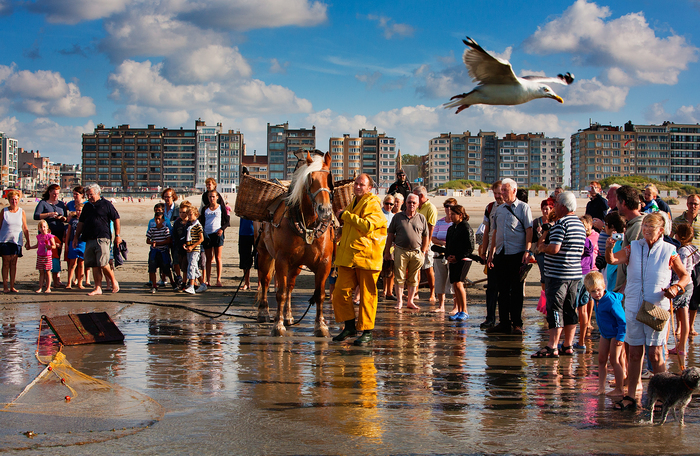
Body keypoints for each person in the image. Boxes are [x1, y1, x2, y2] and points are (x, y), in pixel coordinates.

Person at [605, 212, 690, 410]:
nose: (645, 231)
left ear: (661, 231)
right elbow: (612, 260)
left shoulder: (670, 250)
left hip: (656, 307)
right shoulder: (633, 248)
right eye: (644, 227)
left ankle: (663, 396)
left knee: (656, 354)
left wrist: (676, 288)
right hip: (634, 306)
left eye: (650, 228)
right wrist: (609, 248)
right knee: (634, 353)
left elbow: (684, 276)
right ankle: (630, 396)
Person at [332, 173, 387, 346]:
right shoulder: (353, 203)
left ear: (369, 188)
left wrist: (344, 215)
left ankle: (367, 331)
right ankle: (349, 326)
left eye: (362, 184)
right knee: (340, 292)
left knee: (367, 295)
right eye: (356, 184)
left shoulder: (372, 203)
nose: (357, 187)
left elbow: (368, 225)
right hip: (349, 256)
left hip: (367, 257)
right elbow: (350, 227)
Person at [532, 191, 586, 357]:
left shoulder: (561, 224)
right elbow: (581, 250)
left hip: (558, 274)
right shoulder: (579, 224)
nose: (554, 207)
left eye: (555, 204)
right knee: (570, 309)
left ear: (562, 206)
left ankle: (552, 345)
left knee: (555, 308)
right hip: (575, 273)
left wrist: (542, 247)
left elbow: (554, 248)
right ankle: (568, 345)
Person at [487, 178, 532, 335]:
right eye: (501, 190)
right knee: (503, 290)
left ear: (514, 190)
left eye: (505, 190)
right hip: (501, 254)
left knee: (517, 291)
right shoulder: (499, 209)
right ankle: (504, 322)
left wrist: (527, 251)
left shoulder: (523, 208)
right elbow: (495, 232)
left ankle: (517, 324)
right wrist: (491, 253)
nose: (502, 193)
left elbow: (529, 230)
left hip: (517, 254)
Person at [73, 183, 122, 296]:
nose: (89, 197)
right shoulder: (87, 206)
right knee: (94, 264)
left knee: (103, 263)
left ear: (97, 193)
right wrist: (76, 237)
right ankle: (98, 287)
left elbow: (116, 219)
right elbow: (81, 222)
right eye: (87, 195)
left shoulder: (106, 204)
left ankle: (114, 281)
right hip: (89, 238)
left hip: (103, 237)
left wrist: (118, 235)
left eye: (91, 195)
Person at [584, 272, 626, 397]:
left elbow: (623, 321)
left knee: (615, 360)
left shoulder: (611, 301)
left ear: (604, 286)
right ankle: (601, 387)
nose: (596, 294)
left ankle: (619, 388)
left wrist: (621, 337)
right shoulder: (596, 300)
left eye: (599, 290)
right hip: (605, 333)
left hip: (615, 333)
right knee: (601, 360)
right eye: (593, 292)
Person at [384, 193, 428, 312]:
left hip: (416, 252)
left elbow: (426, 236)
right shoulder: (398, 217)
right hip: (400, 251)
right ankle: (399, 302)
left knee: (413, 278)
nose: (411, 204)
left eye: (414, 202)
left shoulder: (421, 218)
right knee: (399, 277)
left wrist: (423, 251)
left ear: (418, 204)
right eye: (409, 202)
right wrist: (387, 251)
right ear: (405, 203)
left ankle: (410, 301)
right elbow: (390, 235)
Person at [669, 224, 700, 360]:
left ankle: (667, 346)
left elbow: (680, 268)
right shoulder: (694, 248)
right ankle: (682, 348)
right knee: (684, 313)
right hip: (690, 284)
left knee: (669, 313)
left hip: (679, 284)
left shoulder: (682, 251)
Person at [672, 194, 700, 335]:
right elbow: (671, 238)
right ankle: (678, 327)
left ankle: (691, 326)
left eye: (695, 203)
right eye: (690, 203)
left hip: (697, 260)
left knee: (694, 295)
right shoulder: (678, 221)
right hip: (681, 260)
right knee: (681, 295)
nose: (692, 206)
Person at [479, 181, 504, 329]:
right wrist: (483, 251)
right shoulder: (490, 207)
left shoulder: (512, 207)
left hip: (506, 251)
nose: (498, 196)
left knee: (505, 288)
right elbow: (487, 230)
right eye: (495, 193)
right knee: (491, 287)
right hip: (491, 251)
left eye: (500, 193)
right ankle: (490, 318)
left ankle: (505, 320)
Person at [34, 184, 67, 287]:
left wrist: (61, 218)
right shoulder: (43, 203)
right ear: (49, 192)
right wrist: (49, 214)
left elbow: (66, 218)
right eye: (54, 193)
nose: (55, 196)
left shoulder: (61, 204)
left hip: (58, 233)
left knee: (57, 254)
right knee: (44, 255)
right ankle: (43, 279)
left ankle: (57, 279)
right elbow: (36, 216)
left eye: (57, 194)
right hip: (45, 234)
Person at [613, 185, 644, 293]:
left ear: (624, 203)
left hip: (630, 291)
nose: (616, 205)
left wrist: (623, 288)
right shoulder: (633, 224)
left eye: (617, 202)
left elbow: (636, 262)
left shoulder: (638, 226)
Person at [445, 204, 473, 322]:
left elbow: (470, 247)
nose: (450, 216)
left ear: (460, 215)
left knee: (459, 283)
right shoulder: (452, 228)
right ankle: (460, 309)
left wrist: (458, 257)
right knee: (454, 284)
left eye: (453, 214)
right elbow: (448, 245)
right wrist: (448, 256)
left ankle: (464, 310)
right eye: (450, 214)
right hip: (452, 259)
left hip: (463, 259)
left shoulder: (465, 227)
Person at [574, 215, 598, 351]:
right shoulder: (589, 240)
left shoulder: (582, 241)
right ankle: (581, 341)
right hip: (587, 274)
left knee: (574, 307)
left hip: (579, 275)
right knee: (583, 308)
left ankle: (572, 340)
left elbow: (579, 252)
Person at [0, 190, 30, 293]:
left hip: (16, 241)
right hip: (4, 240)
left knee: (13, 263)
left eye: (16, 199)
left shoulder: (21, 211)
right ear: (8, 200)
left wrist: (28, 241)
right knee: (5, 263)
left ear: (18, 200)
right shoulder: (4, 211)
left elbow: (25, 227)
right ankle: (5, 286)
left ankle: (12, 286)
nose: (14, 201)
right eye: (12, 199)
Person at [199, 189, 229, 288]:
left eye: (213, 196)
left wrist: (222, 229)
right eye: (210, 197)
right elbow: (201, 222)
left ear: (217, 197)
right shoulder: (205, 209)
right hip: (207, 235)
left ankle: (218, 279)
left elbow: (227, 222)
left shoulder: (221, 208)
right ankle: (208, 280)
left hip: (218, 234)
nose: (211, 198)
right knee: (208, 258)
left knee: (218, 258)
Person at [431, 198, 457, 313]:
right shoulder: (440, 221)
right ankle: (441, 306)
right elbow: (433, 237)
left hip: (453, 255)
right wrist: (442, 242)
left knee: (453, 280)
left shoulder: (456, 223)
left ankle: (455, 307)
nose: (448, 208)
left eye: (451, 206)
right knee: (440, 279)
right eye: (446, 206)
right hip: (439, 254)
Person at [414, 186, 438, 302]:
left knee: (428, 268)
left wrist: (427, 244)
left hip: (426, 241)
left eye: (415, 196)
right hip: (417, 241)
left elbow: (431, 228)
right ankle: (416, 292)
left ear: (421, 196)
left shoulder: (431, 208)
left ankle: (432, 292)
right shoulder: (417, 207)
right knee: (417, 268)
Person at [147, 212, 176, 293]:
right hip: (154, 252)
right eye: (156, 219)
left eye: (159, 219)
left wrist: (157, 243)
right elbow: (147, 240)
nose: (157, 221)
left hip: (163, 251)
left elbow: (168, 240)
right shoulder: (152, 230)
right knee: (152, 269)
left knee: (166, 268)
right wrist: (152, 243)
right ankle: (154, 285)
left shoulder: (165, 229)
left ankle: (172, 282)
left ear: (163, 220)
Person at [29, 220, 57, 293]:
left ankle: (48, 287)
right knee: (41, 272)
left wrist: (49, 246)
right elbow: (37, 245)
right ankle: (40, 287)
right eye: (41, 227)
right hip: (40, 256)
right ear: (39, 229)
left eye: (44, 227)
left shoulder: (50, 236)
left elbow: (54, 246)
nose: (43, 229)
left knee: (48, 272)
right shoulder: (39, 236)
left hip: (47, 256)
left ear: (47, 228)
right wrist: (30, 247)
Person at [183, 205, 206, 294]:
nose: (189, 217)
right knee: (194, 267)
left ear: (196, 215)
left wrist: (192, 246)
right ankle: (203, 284)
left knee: (192, 266)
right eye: (188, 215)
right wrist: (187, 245)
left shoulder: (198, 225)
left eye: (191, 215)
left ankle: (192, 286)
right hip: (190, 249)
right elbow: (190, 237)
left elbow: (201, 238)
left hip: (195, 249)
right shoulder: (190, 225)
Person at [64, 201, 86, 290]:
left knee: (81, 263)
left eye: (80, 210)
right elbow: (68, 233)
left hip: (83, 243)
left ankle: (80, 283)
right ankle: (69, 282)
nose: (78, 212)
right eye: (77, 210)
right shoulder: (72, 220)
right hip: (73, 243)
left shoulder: (86, 220)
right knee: (72, 263)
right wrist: (66, 244)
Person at [380, 194, 396, 300]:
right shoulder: (379, 213)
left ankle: (389, 292)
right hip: (380, 243)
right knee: (380, 269)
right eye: (387, 203)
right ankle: (383, 291)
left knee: (390, 269)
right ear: (383, 203)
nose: (389, 206)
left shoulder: (394, 216)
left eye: (391, 204)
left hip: (390, 245)